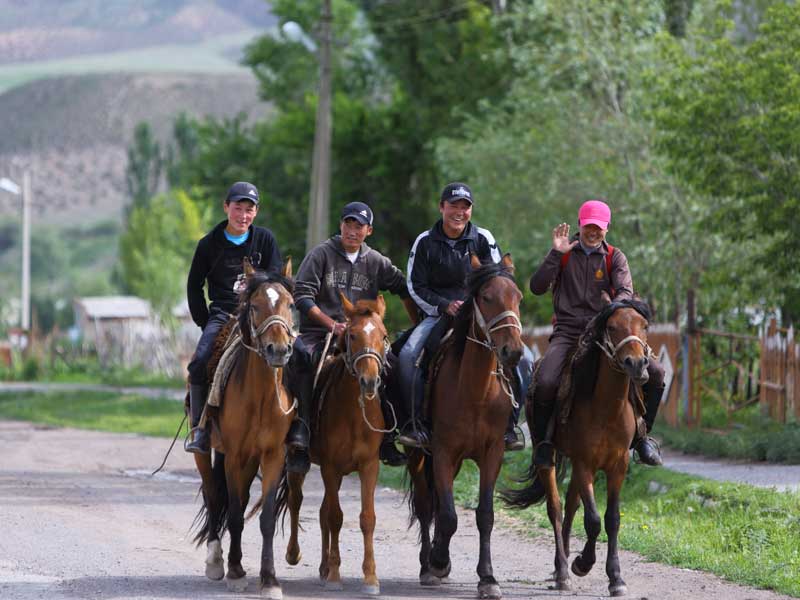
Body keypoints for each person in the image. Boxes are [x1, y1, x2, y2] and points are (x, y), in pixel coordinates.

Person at [395, 182, 533, 450]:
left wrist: (476, 306)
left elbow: (499, 279)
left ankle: (509, 427)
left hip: (481, 313)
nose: (459, 212)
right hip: (439, 312)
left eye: (465, 207)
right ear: (441, 207)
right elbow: (415, 285)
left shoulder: (483, 238)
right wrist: (444, 305)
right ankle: (416, 424)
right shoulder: (424, 242)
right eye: (453, 206)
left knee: (525, 359)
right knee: (408, 355)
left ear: (471, 210)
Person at [285, 201, 419, 473]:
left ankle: (389, 436)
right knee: (302, 359)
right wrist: (331, 325)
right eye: (349, 224)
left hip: (364, 338)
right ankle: (301, 432)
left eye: (359, 226)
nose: (353, 231)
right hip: (320, 332)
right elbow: (302, 296)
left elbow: (403, 287)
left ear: (368, 231)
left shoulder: (375, 261)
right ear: (341, 225)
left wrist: (418, 323)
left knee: (392, 366)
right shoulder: (321, 254)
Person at [529, 199, 665, 466]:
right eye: (589, 226)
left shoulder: (615, 256)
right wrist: (554, 254)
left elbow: (626, 293)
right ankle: (544, 445)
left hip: (607, 333)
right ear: (580, 225)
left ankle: (643, 439)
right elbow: (536, 287)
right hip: (568, 332)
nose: (593, 232)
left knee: (658, 373)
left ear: (607, 228)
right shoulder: (564, 254)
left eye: (599, 227)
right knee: (545, 381)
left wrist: (609, 309)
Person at [185, 181, 283, 454]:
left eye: (249, 210)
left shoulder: (265, 240)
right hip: (224, 314)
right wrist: (205, 322)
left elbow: (276, 280)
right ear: (226, 207)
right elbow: (194, 286)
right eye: (237, 208)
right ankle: (200, 429)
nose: (243, 215)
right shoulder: (208, 245)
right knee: (200, 361)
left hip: (263, 317)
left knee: (297, 356)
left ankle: (296, 427)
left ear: (256, 212)